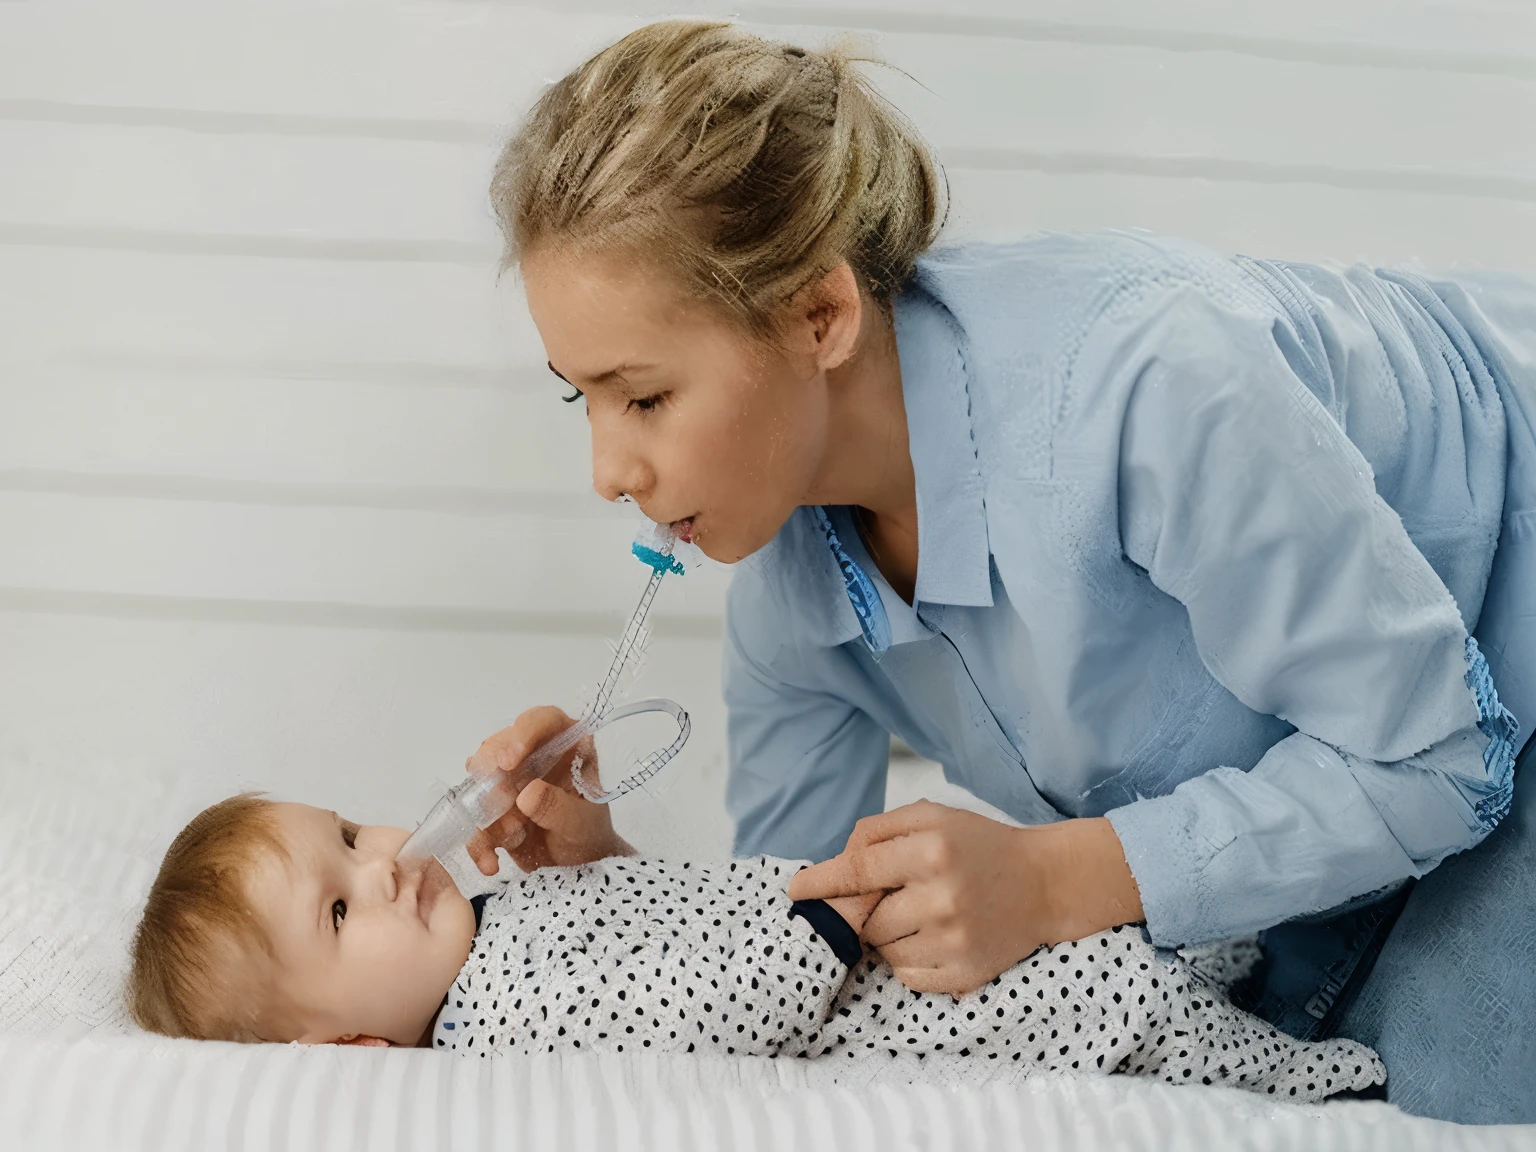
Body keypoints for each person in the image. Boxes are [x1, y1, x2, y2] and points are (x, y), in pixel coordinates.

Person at [462, 20, 1536, 1123]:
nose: (606, 470)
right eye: (576, 395)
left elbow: (1439, 755)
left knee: (1455, 1100)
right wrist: (598, 873)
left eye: (642, 396)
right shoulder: (791, 602)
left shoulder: (1148, 384)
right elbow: (804, 957)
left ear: (819, 314)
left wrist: (1058, 878)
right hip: (1380, 787)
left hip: (1497, 653)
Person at [124, 785, 1385, 1103]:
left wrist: (598, 849)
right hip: (906, 994)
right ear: (346, 1047)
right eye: (340, 910)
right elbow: (714, 1011)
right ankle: (1333, 1084)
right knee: (1112, 997)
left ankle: (1286, 948)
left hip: (876, 931)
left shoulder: (494, 930)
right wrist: (831, 909)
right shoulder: (499, 1034)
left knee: (1151, 925)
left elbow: (655, 926)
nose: (386, 859)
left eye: (347, 829)